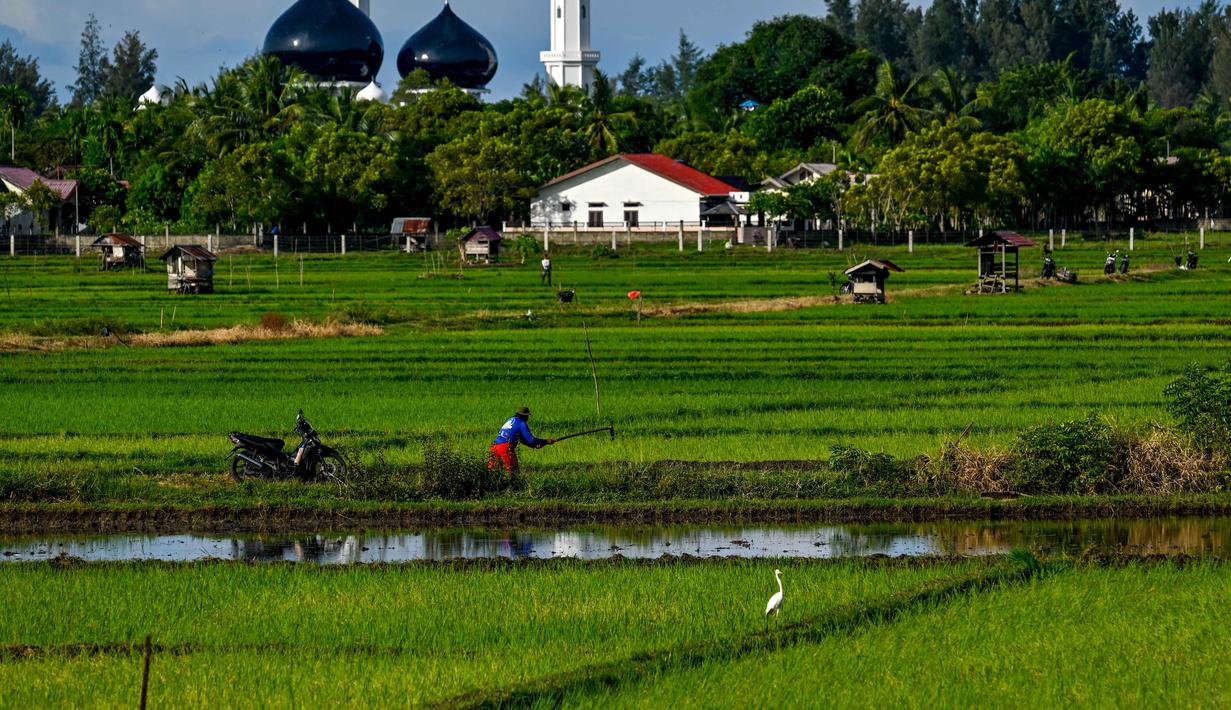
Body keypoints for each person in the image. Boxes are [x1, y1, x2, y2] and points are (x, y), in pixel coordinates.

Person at [489, 407, 556, 474]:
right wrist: (547, 441)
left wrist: (533, 445)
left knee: (492, 472)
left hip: (494, 447)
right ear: (525, 416)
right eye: (527, 416)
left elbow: (522, 439)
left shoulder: (510, 420)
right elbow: (531, 440)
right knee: (513, 472)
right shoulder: (521, 423)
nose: (527, 418)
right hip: (505, 448)